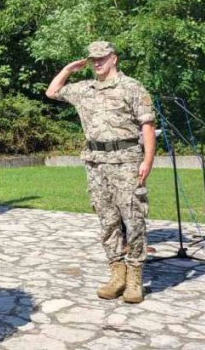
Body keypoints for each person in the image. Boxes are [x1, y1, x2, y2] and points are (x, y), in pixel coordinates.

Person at [46, 41, 155, 304]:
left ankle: (134, 278)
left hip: (127, 160)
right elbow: (52, 92)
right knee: (107, 221)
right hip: (96, 162)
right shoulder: (85, 89)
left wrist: (148, 160)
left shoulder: (131, 86)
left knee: (133, 219)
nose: (97, 63)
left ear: (114, 58)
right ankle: (117, 275)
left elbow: (147, 125)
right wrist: (69, 69)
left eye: (102, 58)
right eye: (93, 59)